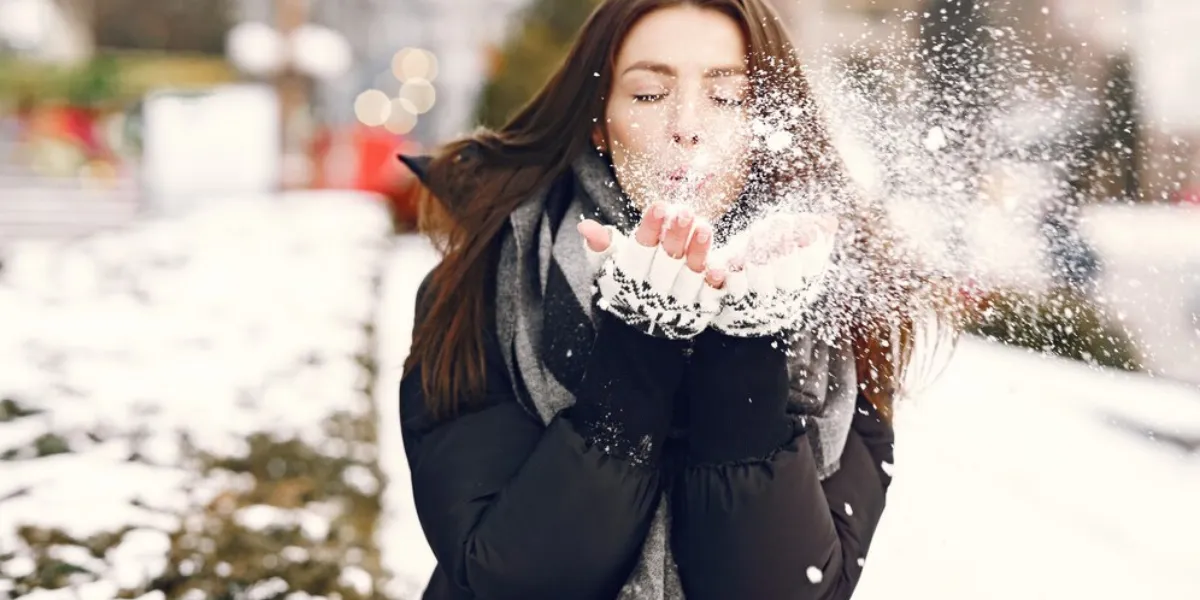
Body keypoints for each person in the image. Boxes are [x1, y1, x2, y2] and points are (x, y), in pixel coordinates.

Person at [399, 1, 956, 599]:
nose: (688, 125)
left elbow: (791, 590)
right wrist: (639, 338)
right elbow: (511, 578)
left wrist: (746, 344)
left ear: (770, 122)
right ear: (598, 120)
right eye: (647, 95)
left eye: (727, 97)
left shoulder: (841, 306)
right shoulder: (488, 278)